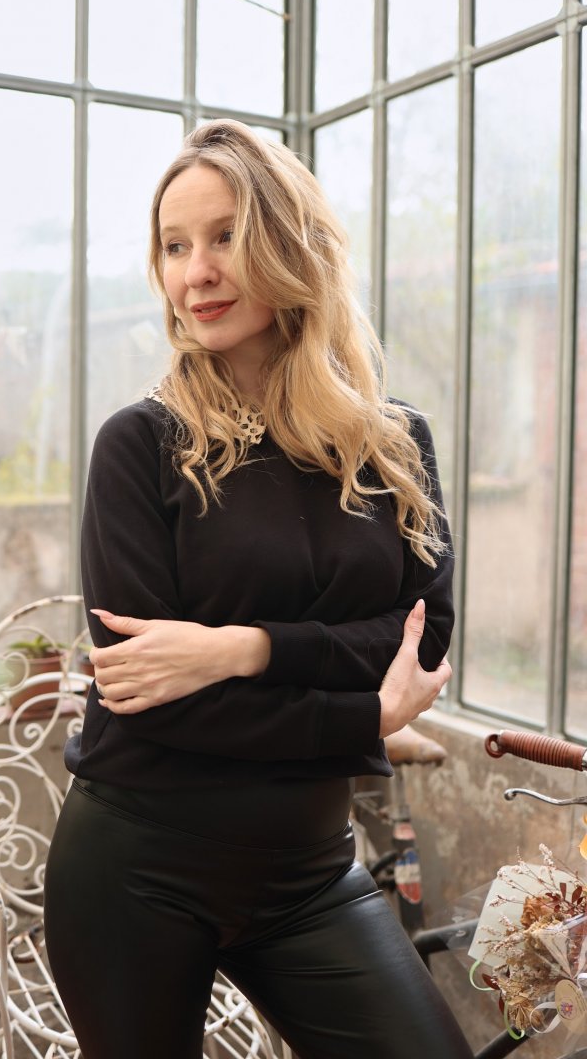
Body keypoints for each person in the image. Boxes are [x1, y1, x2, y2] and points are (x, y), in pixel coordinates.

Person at [44, 119, 472, 1059]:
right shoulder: (141, 445)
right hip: (137, 868)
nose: (196, 272)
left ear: (293, 243)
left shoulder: (395, 442)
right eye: (174, 246)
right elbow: (150, 697)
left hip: (310, 874)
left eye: (226, 236)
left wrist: (241, 649)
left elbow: (424, 639)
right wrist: (363, 716)